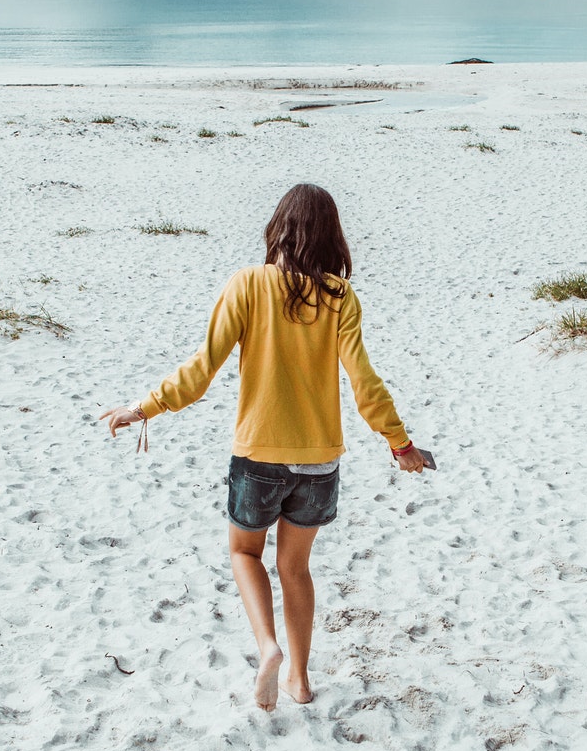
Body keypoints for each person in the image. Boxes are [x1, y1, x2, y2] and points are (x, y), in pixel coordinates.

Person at [100, 184, 429, 711]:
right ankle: (299, 679)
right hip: (319, 462)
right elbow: (364, 380)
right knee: (295, 569)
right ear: (331, 236)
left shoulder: (247, 284)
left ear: (278, 228)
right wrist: (401, 445)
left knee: (243, 552)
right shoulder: (340, 297)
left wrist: (143, 408)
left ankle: (268, 647)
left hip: (258, 458)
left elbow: (200, 370)